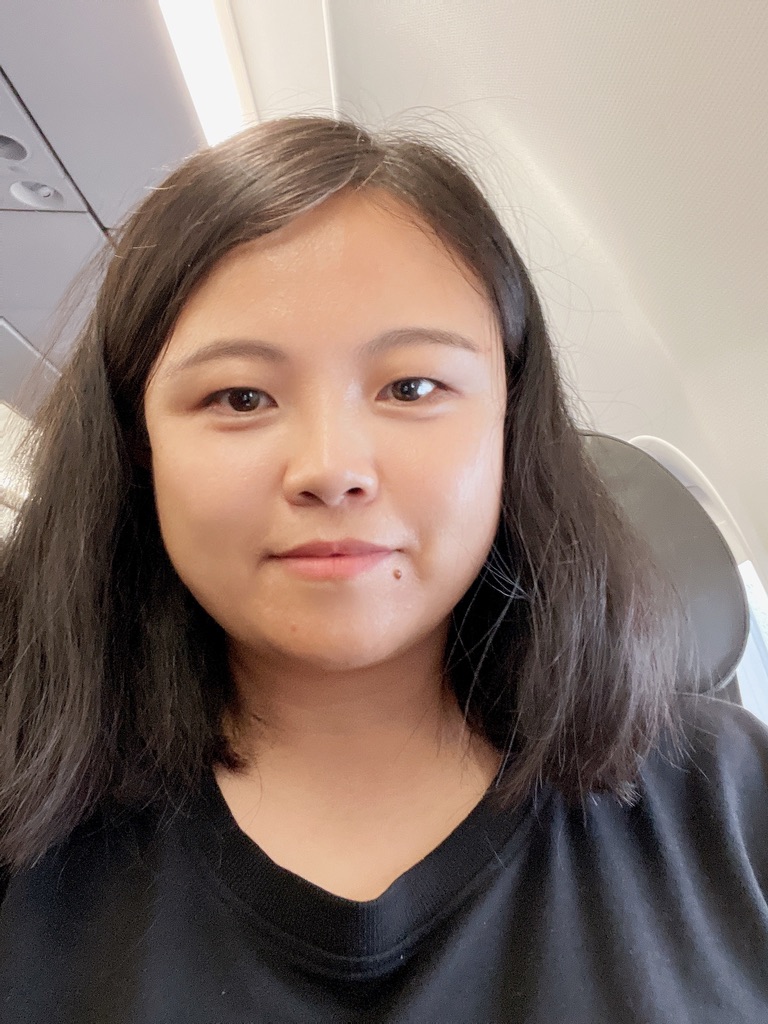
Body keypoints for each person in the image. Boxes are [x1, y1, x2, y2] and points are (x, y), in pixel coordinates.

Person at [1, 115, 766, 1023]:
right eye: (239, 397)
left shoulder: (734, 802)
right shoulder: (26, 829)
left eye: (412, 387)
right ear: (140, 450)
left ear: (509, 429)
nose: (331, 467)